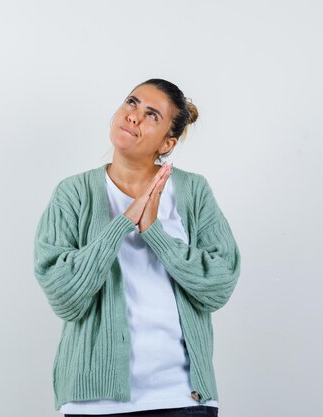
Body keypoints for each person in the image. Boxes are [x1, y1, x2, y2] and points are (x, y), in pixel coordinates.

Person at [33, 79, 241, 417]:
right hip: (94, 402)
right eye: (132, 102)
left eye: (151, 115)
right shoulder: (73, 193)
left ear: (167, 143)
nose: (133, 116)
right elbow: (63, 295)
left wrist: (154, 231)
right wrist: (124, 222)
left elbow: (219, 285)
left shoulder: (193, 191)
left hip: (182, 398)